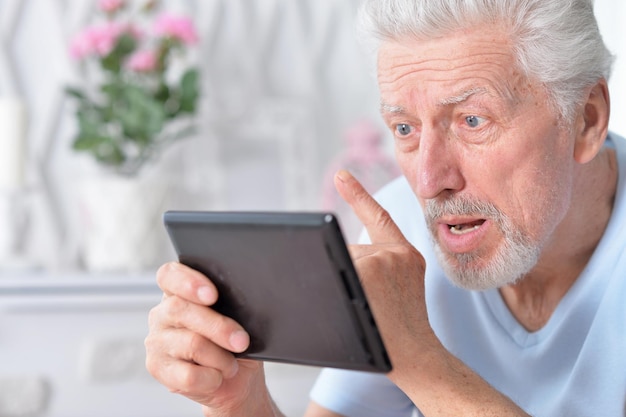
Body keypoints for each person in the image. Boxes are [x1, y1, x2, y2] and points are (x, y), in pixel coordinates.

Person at [144, 0, 626, 415]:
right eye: (404, 129)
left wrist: (414, 355)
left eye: (472, 120)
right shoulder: (401, 222)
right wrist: (239, 406)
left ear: (585, 120)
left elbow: (414, 358)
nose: (428, 180)